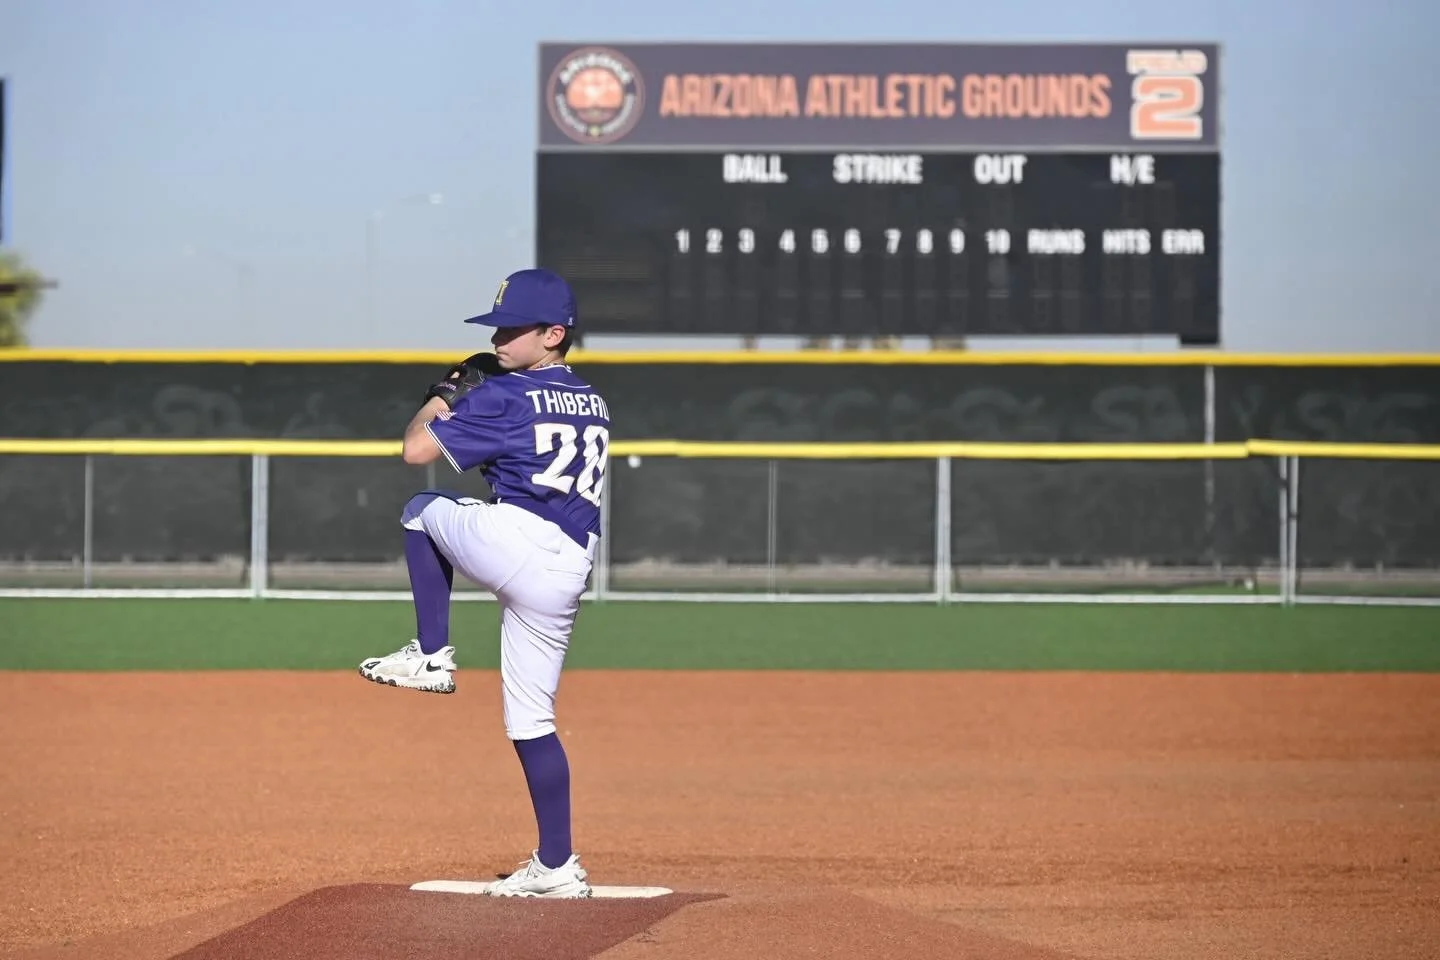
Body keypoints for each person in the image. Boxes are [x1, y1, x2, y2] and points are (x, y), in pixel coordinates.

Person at [358, 267, 610, 899]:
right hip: (568, 568)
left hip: (522, 539)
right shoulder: (594, 400)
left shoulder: (506, 394)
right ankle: (557, 865)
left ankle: (431, 653)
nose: (498, 339)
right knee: (530, 722)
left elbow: (415, 450)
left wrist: (445, 394)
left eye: (513, 328)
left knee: (421, 510)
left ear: (554, 334)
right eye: (496, 327)